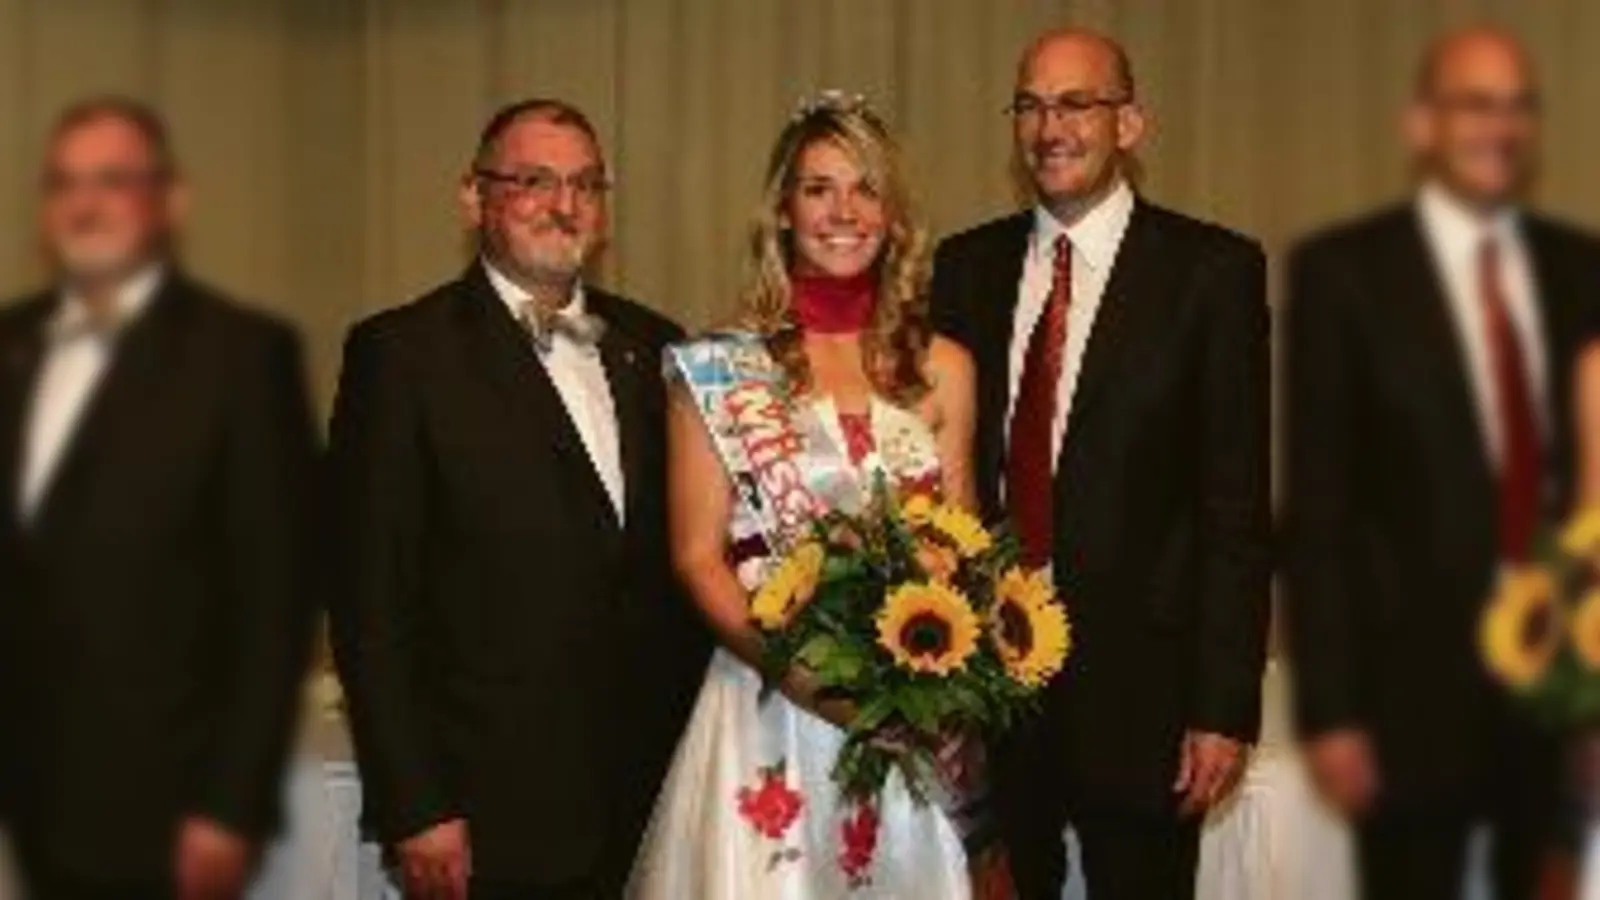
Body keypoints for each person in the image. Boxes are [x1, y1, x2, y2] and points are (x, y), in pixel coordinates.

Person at [326, 98, 707, 900]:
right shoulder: (401, 356)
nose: (563, 205)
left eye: (585, 185)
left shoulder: (661, 347)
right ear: (473, 197)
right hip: (490, 816)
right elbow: (370, 604)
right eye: (533, 181)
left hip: (654, 800)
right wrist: (416, 803)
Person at [929, 29, 1273, 900]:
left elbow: (1234, 503)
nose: (1051, 127)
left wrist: (1223, 707)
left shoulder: (1214, 273)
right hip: (996, 692)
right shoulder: (966, 268)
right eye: (1031, 105)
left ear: (1130, 123)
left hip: (1148, 699)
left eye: (1076, 102)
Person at [628, 92, 992, 898]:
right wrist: (809, 681)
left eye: (866, 188)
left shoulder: (946, 368)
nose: (844, 211)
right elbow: (697, 558)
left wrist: (938, 696)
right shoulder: (720, 368)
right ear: (783, 211)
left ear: (894, 215)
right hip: (768, 703)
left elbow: (964, 548)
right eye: (819, 188)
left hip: (905, 716)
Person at [1283, 25, 1600, 900]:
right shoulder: (1344, 275)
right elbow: (1320, 508)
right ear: (1422, 123)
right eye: (1474, 104)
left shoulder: (1584, 270)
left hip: (1562, 693)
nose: (1499, 127)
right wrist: (1333, 711)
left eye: (1517, 107)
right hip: (1405, 699)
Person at [0, 97, 318, 899]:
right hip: (30, 796)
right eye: (65, 182)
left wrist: (229, 807)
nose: (85, 203)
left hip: (170, 806)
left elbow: (274, 600)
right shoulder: (10, 341)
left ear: (170, 201)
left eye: (113, 180)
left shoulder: (244, 357)